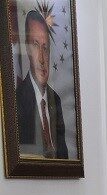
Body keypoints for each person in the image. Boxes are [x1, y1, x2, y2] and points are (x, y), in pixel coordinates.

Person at [16, 10, 68, 159]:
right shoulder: (16, 101)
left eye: (45, 48)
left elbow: (63, 159)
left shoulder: (55, 100)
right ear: (27, 49)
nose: (41, 59)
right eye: (35, 45)